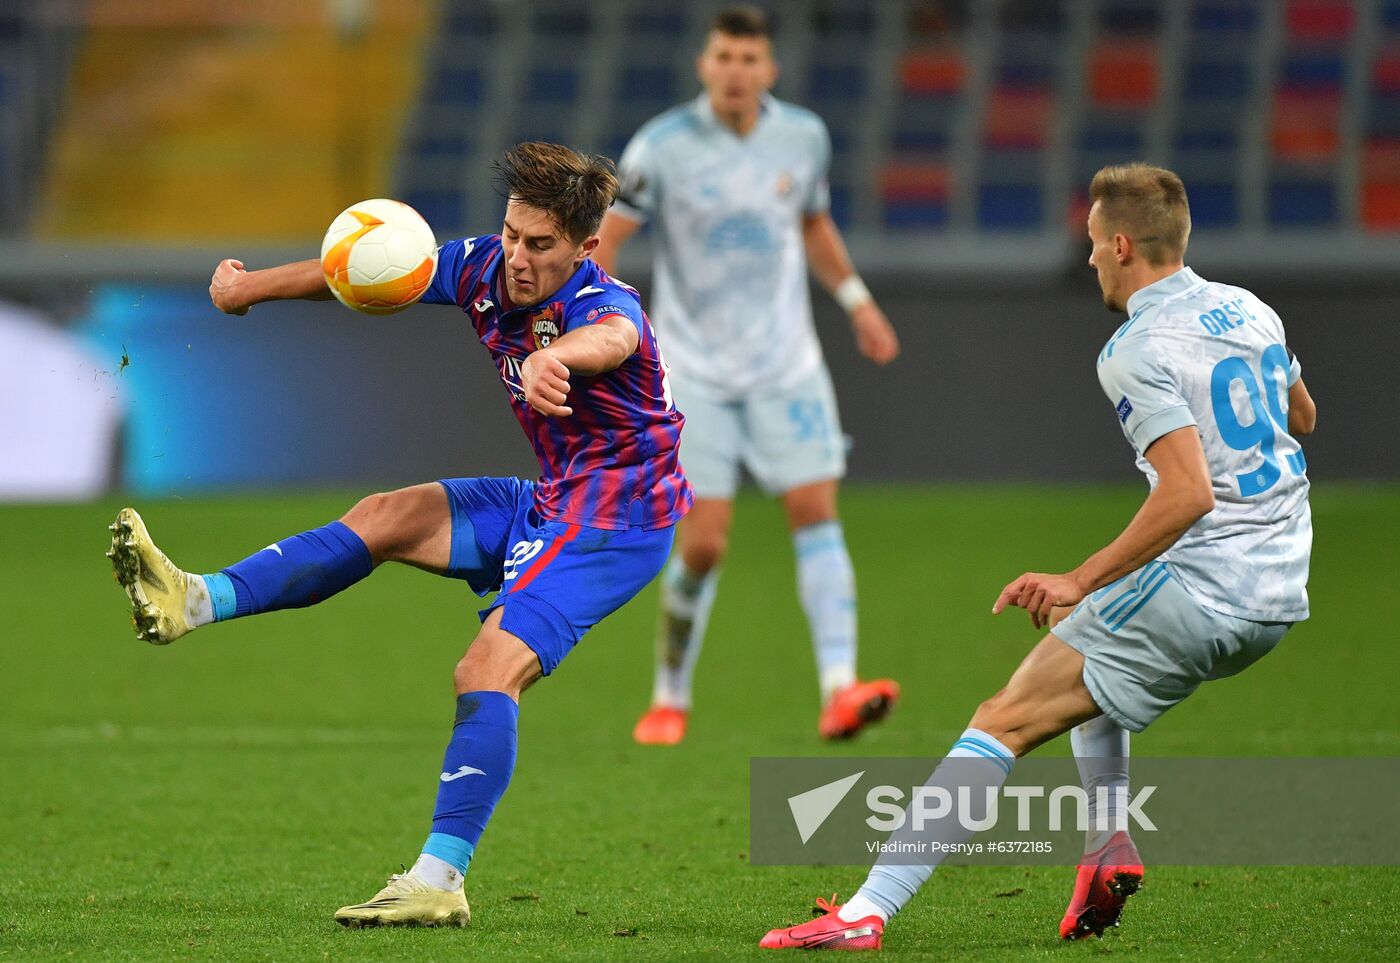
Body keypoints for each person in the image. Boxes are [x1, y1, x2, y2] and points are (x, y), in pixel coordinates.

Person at [107, 142, 692, 928]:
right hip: (553, 500)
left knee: (486, 668)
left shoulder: (604, 307)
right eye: (513, 234)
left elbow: (613, 340)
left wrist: (559, 358)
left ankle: (439, 878)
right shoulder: (486, 266)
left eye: (540, 245)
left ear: (586, 247)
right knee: (385, 515)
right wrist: (250, 289)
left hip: (616, 522)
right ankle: (196, 599)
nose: (518, 257)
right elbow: (362, 267)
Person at [759, 163, 1317, 949]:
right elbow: (1302, 414)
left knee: (1003, 717)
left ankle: (865, 912)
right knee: (1085, 643)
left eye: (1092, 242)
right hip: (1282, 584)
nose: (1088, 257)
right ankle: (1105, 847)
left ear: (1122, 244)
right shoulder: (1251, 310)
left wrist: (1078, 573)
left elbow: (1189, 493)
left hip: (1209, 582)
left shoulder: (1133, 347)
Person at [593, 4, 902, 746]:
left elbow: (813, 222)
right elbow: (606, 241)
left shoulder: (803, 137)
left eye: (748, 59)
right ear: (705, 65)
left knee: (815, 510)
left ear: (770, 70)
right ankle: (669, 694)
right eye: (723, 57)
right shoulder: (661, 147)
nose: (735, 71)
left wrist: (857, 300)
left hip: (787, 366)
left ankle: (838, 687)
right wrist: (591, 329)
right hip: (694, 372)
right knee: (705, 544)